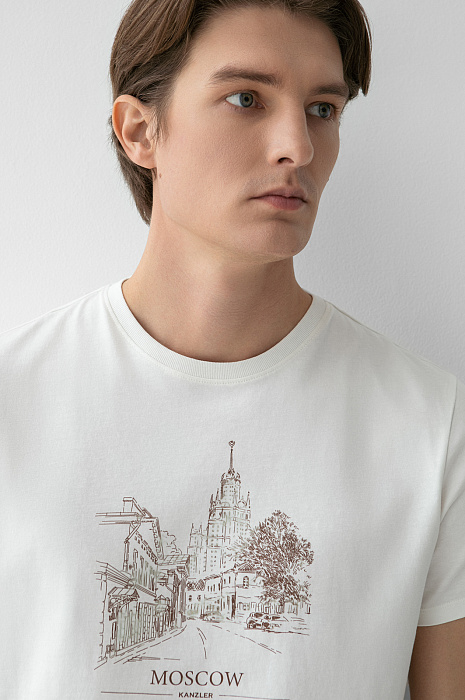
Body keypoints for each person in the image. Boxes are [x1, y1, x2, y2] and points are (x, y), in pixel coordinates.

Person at [0, 0, 464, 698]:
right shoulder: (15, 400)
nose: (298, 147)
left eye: (322, 109)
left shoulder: (428, 423)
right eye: (246, 98)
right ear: (140, 132)